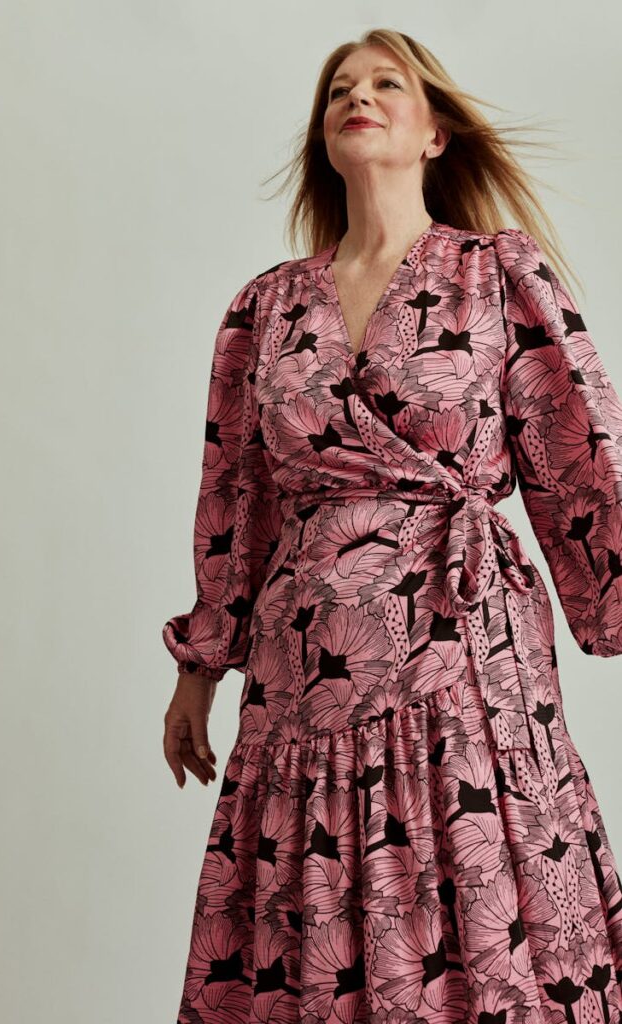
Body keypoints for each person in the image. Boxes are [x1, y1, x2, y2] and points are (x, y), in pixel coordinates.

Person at [161, 28, 622, 1023]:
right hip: (301, 673)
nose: (356, 97)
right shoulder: (265, 309)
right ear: (323, 137)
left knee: (471, 891)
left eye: (385, 84)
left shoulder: (494, 274)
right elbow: (234, 497)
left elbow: (580, 454)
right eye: (337, 90)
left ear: (434, 134)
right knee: (309, 914)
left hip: (464, 660)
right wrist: (199, 664)